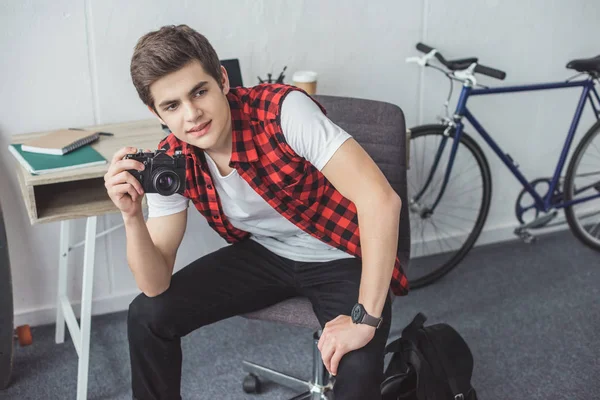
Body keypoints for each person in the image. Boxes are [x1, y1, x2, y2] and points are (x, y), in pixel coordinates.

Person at [103, 24, 409, 400]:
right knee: (146, 315)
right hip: (267, 253)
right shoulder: (172, 160)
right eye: (172, 105)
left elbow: (381, 201)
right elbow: (155, 283)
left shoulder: (283, 112)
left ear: (222, 80)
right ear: (156, 112)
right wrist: (132, 216)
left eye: (199, 92)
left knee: (358, 363)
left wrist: (365, 319)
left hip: (341, 253)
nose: (192, 115)